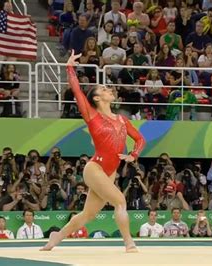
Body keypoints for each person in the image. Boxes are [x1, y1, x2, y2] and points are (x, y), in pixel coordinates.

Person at [41, 50, 145, 253]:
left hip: (110, 170)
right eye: (105, 89)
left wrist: (133, 155)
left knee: (88, 214)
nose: (110, 89)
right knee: (120, 201)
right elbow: (77, 91)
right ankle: (129, 243)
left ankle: (57, 237)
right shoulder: (91, 115)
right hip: (95, 168)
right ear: (97, 97)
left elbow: (140, 139)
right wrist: (69, 67)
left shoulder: (122, 120)